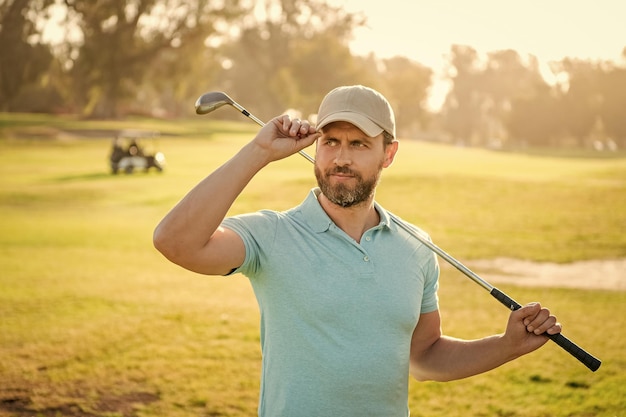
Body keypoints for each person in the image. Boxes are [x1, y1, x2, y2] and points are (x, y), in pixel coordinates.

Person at [153, 85, 561, 416]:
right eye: (330, 141)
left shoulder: (416, 248)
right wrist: (258, 153)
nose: (341, 158)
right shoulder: (273, 235)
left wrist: (505, 345)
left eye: (359, 144)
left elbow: (425, 358)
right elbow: (175, 242)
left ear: (389, 153)